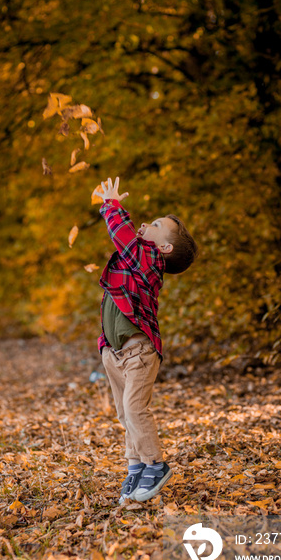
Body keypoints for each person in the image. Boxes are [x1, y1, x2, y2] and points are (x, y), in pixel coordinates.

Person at [95, 176, 198, 504]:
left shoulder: (150, 261)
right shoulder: (133, 262)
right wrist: (104, 345)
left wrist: (111, 205)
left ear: (164, 248)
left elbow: (123, 236)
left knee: (134, 408)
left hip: (139, 351)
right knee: (125, 415)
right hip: (115, 353)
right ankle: (136, 466)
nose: (144, 224)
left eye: (155, 225)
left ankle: (156, 463)